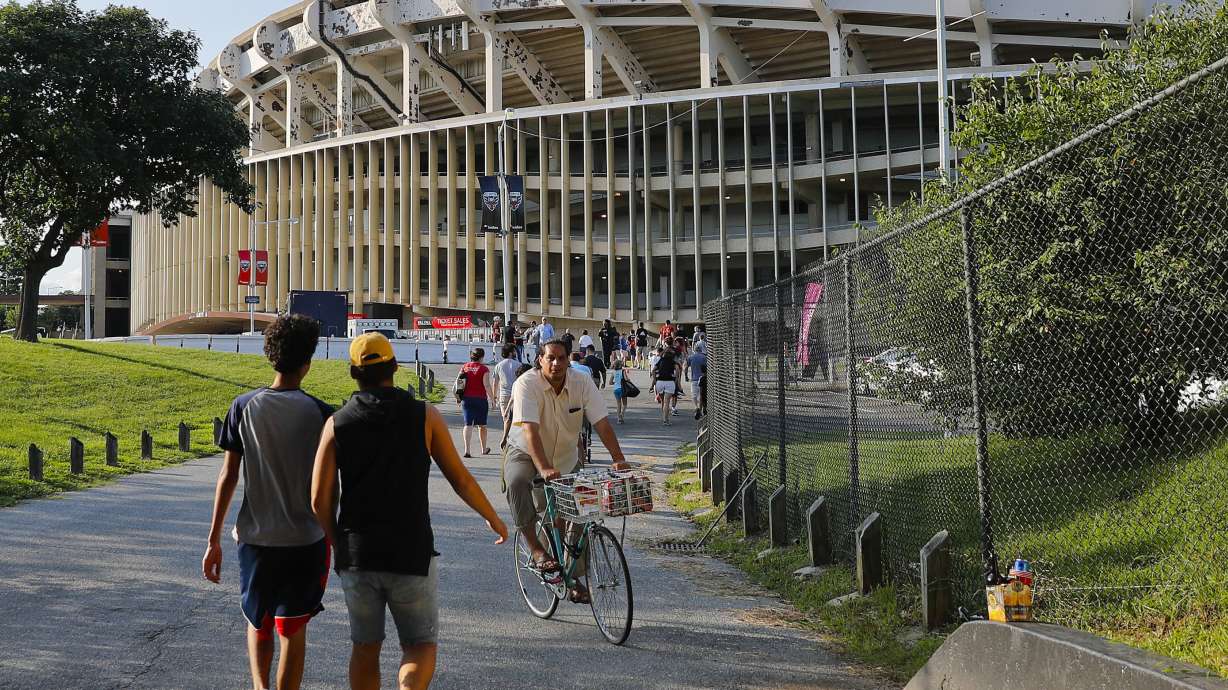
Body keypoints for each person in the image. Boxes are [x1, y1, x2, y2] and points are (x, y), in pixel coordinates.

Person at [310, 333, 508, 690]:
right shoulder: (424, 416)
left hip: (358, 554)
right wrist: (492, 518)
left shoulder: (336, 424)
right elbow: (460, 479)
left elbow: (318, 499)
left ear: (354, 372)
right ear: (396, 367)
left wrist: (336, 541)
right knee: (418, 645)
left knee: (365, 648)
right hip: (411, 551)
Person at [203, 314, 333, 690]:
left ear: (269, 356)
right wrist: (336, 536)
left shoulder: (243, 407)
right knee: (292, 627)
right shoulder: (321, 414)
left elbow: (227, 476)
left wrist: (213, 540)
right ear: (308, 363)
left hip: (255, 539)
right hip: (306, 540)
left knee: (258, 621)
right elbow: (329, 486)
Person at [503, 339, 630, 604]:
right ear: (540, 359)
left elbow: (601, 423)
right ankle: (536, 549)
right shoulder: (526, 383)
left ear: (568, 361)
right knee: (516, 482)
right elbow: (530, 430)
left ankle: (573, 577)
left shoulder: (581, 382)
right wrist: (544, 467)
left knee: (580, 512)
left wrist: (618, 459)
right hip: (527, 451)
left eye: (562, 358)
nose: (556, 363)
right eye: (550, 358)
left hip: (565, 457)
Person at [458, 348, 495, 458]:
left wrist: (458, 396)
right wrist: (493, 399)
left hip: (466, 399)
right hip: (480, 399)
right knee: (482, 425)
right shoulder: (484, 369)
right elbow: (487, 385)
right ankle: (483, 449)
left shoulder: (464, 367)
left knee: (468, 424)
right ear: (481, 357)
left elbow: (459, 382)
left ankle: (467, 450)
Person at [499, 363, 534, 449]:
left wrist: (507, 410)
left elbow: (512, 397)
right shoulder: (532, 381)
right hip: (526, 405)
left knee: (510, 422)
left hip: (515, 405)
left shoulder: (517, 382)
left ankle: (505, 438)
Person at [493, 344, 521, 448]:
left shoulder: (499, 366)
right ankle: (509, 439)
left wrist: (494, 397)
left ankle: (506, 438)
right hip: (516, 394)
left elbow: (495, 383)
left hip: (504, 395)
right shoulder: (518, 364)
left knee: (506, 419)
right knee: (515, 419)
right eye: (514, 351)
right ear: (511, 352)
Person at [651, 342, 681, 426]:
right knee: (667, 402)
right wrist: (676, 378)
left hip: (659, 382)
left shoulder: (661, 360)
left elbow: (653, 370)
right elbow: (677, 369)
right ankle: (666, 419)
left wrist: (654, 379)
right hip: (669, 382)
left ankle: (664, 417)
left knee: (663, 401)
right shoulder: (673, 362)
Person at [686, 344, 706, 420]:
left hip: (694, 379)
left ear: (694, 350)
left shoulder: (691, 357)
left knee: (694, 395)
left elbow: (686, 367)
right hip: (702, 378)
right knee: (701, 395)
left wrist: (686, 376)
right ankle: (700, 409)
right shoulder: (704, 357)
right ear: (701, 350)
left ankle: (696, 407)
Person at [611, 359, 629, 424]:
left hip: (616, 389)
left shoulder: (613, 372)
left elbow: (610, 382)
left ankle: (619, 419)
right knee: (625, 404)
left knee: (618, 404)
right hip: (622, 389)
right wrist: (628, 380)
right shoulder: (623, 371)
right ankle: (622, 414)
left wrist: (615, 382)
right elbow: (626, 379)